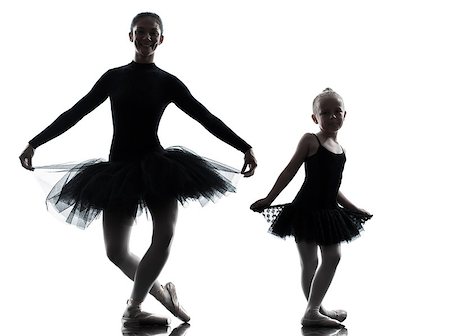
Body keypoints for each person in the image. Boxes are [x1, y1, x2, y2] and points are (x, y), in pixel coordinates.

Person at [19, 12, 257, 326]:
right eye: (140, 32)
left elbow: (205, 117)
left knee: (165, 235)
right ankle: (163, 296)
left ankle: (133, 307)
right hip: (118, 170)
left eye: (152, 33)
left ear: (161, 39)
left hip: (159, 167)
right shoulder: (113, 77)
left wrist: (244, 146)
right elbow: (75, 112)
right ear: (130, 36)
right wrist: (35, 142)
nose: (146, 38)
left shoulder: (168, 82)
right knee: (115, 251)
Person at [250, 88, 371, 328]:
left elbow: (333, 186)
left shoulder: (342, 150)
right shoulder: (310, 140)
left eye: (338, 112)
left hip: (328, 212)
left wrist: (353, 207)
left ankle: (315, 308)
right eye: (325, 113)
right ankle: (313, 311)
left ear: (346, 114)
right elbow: (290, 171)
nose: (333, 116)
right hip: (305, 210)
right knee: (311, 263)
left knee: (331, 257)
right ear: (315, 118)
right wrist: (269, 198)